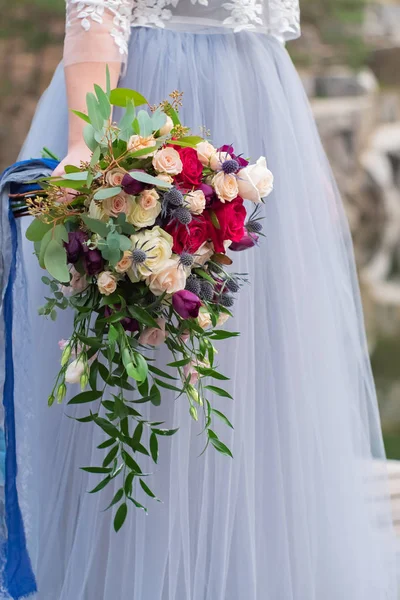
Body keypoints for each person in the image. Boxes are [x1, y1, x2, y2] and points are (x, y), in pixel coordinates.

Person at [6, 0, 398, 598]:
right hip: (155, 108)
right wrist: (88, 144)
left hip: (263, 125)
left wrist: (305, 146)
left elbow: (263, 27)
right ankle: (133, 574)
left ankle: (251, 573)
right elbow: (97, 8)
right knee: (148, 364)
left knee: (259, 370)